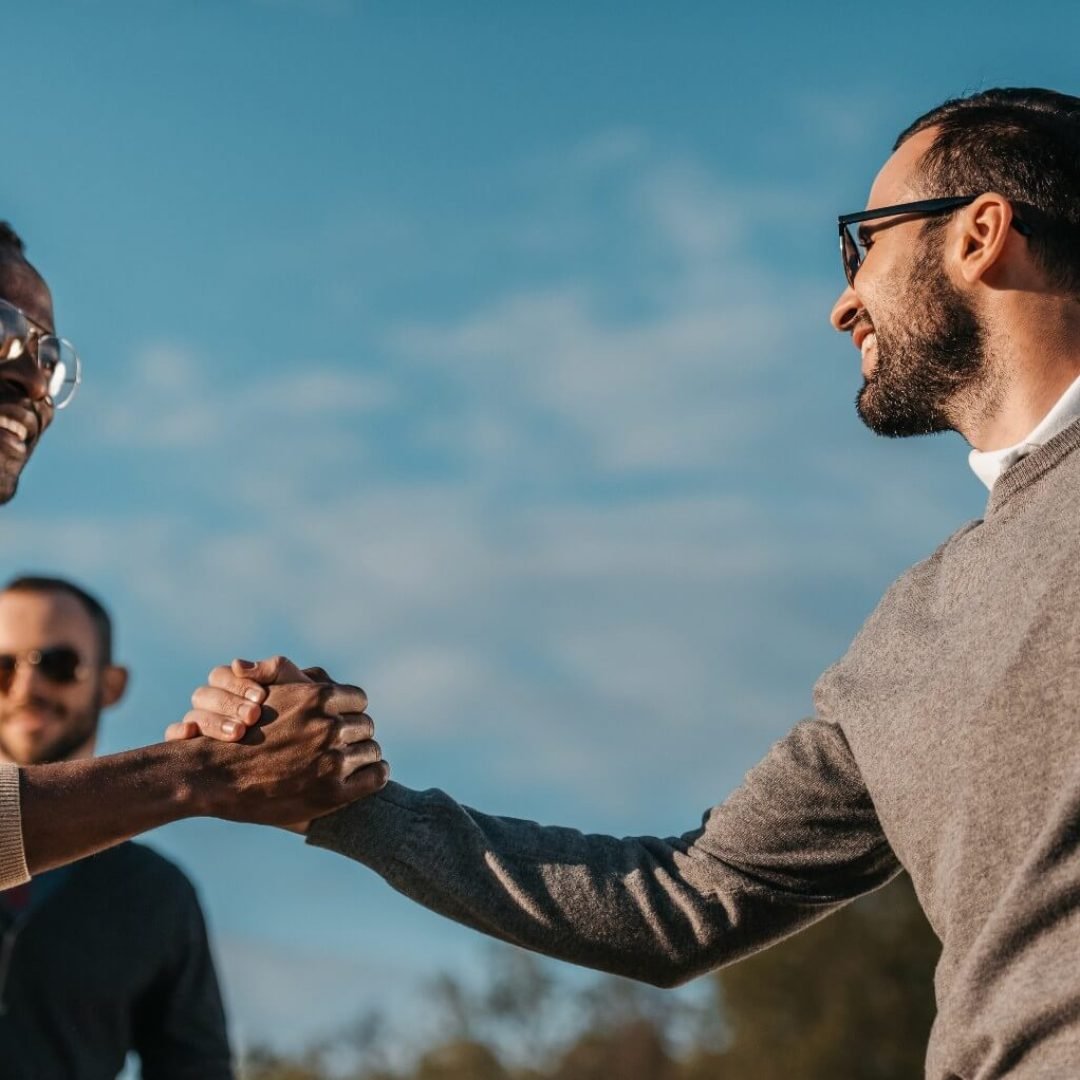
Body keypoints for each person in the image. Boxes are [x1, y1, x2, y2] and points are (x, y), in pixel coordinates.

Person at [191, 87, 1080, 1078]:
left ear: (980, 234)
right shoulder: (917, 629)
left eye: (859, 245)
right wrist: (344, 802)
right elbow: (686, 903)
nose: (841, 303)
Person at [0, 223, 388, 891]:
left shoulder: (150, 904)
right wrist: (207, 772)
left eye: (50, 356)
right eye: (1, 326)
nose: (33, 378)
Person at [0, 575, 232, 1078]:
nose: (25, 687)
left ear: (111, 685)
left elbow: (196, 1067)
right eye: (2, 666)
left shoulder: (158, 896)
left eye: (59, 665)